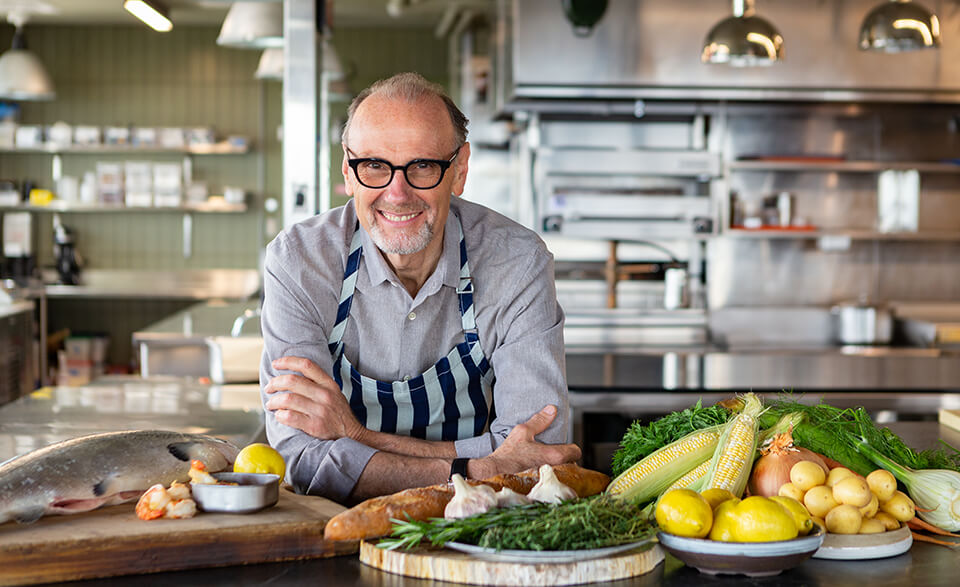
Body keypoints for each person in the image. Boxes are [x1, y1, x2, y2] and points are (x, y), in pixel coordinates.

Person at [260, 72, 580, 504]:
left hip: (484, 527)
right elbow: (303, 457)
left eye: (422, 166)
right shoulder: (300, 261)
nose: (396, 193)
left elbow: (535, 456)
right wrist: (480, 468)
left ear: (459, 170)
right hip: (340, 529)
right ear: (348, 171)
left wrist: (355, 436)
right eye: (373, 165)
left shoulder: (517, 261)